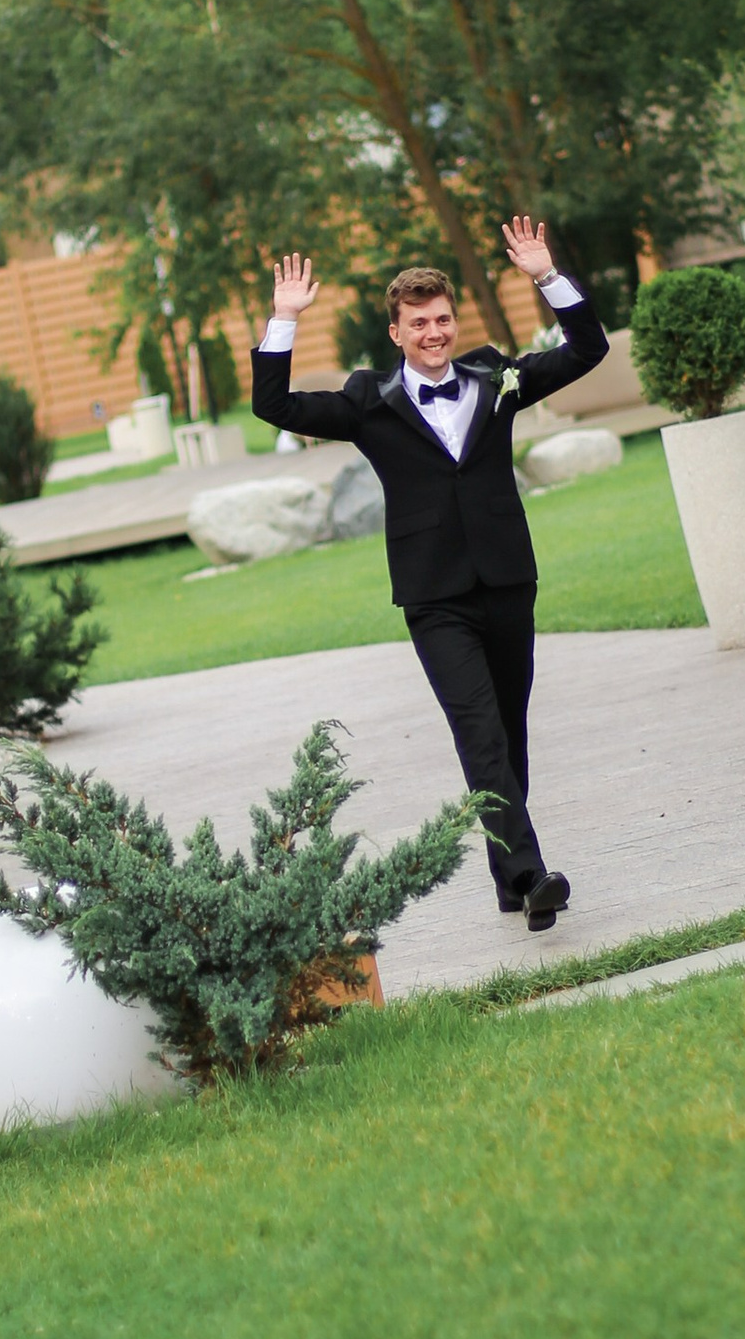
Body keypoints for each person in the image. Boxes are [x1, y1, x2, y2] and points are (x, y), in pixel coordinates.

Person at [253, 219, 608, 930]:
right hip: (435, 596)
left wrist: (547, 277)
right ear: (397, 332)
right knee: (479, 733)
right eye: (419, 323)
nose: (434, 332)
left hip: (508, 579)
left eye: (442, 318)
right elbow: (276, 406)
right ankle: (534, 877)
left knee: (507, 735)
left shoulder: (495, 377)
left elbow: (587, 349)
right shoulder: (367, 401)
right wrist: (283, 321)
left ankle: (511, 879)